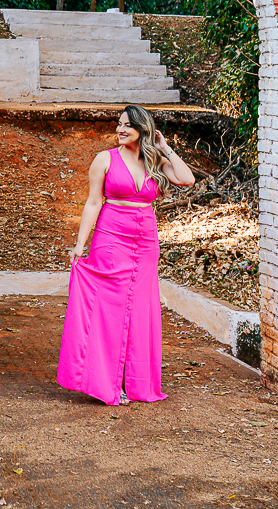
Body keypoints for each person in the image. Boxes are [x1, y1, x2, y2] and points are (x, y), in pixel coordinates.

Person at [56, 104, 195, 406]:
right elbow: (93, 203)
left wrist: (165, 147)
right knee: (110, 308)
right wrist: (80, 244)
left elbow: (187, 180)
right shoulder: (104, 159)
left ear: (142, 131)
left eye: (127, 126)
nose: (120, 130)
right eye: (119, 124)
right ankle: (107, 381)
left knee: (139, 309)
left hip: (145, 240)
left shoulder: (154, 159)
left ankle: (133, 382)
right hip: (110, 236)